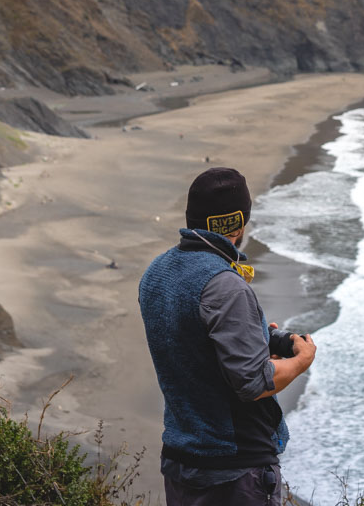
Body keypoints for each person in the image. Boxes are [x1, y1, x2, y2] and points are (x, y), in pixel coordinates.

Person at [139, 167, 316, 506]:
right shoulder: (224, 285)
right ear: (239, 223)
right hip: (235, 469)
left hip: (182, 458)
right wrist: (301, 361)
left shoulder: (156, 272)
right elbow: (253, 383)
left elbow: (194, 339)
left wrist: (256, 338)